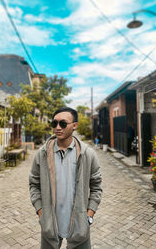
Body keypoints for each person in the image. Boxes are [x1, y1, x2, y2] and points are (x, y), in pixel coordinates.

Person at [29, 107, 102, 249]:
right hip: (50, 226)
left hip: (80, 226)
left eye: (63, 124)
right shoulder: (42, 154)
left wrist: (89, 215)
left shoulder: (88, 154)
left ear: (74, 125)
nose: (57, 127)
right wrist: (41, 212)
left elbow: (96, 186)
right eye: (54, 123)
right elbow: (34, 184)